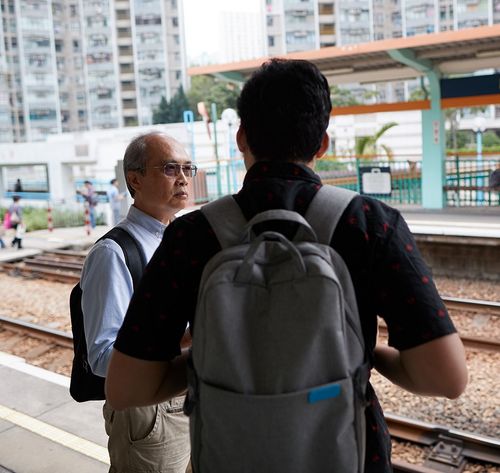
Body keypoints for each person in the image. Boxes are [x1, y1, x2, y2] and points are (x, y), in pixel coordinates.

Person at [106, 59, 468, 472]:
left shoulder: (193, 236)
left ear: (242, 138)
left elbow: (127, 388)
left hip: (232, 456)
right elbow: (445, 378)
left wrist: (215, 357)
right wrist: (363, 354)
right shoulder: (368, 224)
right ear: (323, 144)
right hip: (348, 456)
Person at [80, 132, 194, 473]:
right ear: (135, 178)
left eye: (189, 168)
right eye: (171, 168)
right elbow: (101, 358)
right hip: (148, 413)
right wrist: (188, 336)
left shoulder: (182, 240)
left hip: (189, 396)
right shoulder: (113, 253)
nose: (184, 178)